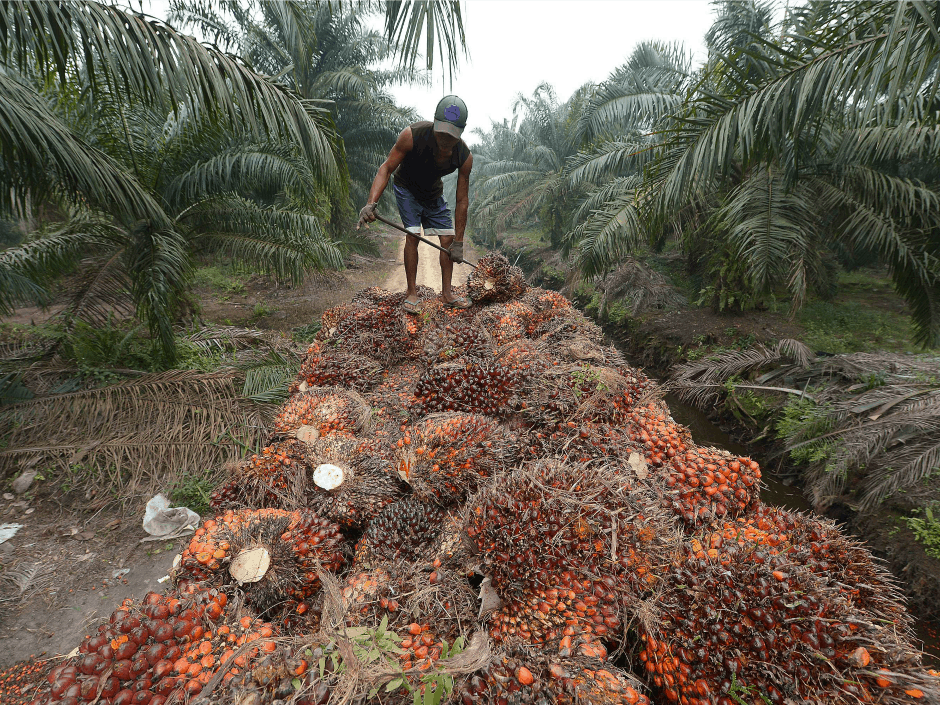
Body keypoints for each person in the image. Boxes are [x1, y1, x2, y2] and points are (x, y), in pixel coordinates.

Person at [356, 95, 474, 313]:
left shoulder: (464, 156)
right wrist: (370, 203)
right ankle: (412, 292)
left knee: (447, 238)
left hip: (433, 193)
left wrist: (458, 242)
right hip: (407, 189)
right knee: (413, 234)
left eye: (451, 135)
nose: (445, 139)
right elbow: (386, 168)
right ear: (435, 123)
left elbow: (461, 200)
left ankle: (447, 294)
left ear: (461, 131)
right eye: (441, 133)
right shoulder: (412, 135)